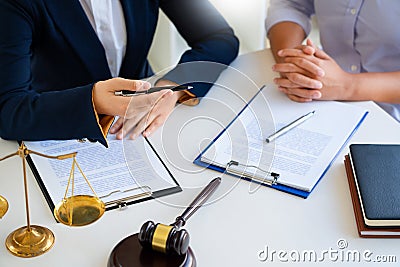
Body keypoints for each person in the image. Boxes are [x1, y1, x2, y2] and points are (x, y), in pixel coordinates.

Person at [0, 0, 239, 147]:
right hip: (56, 128)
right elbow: (9, 109)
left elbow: (219, 37)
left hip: (144, 123)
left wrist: (172, 87)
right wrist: (93, 101)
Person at [265, 1, 400, 122]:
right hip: (319, 98)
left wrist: (347, 85)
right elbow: (291, 4)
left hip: (392, 119)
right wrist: (293, 64)